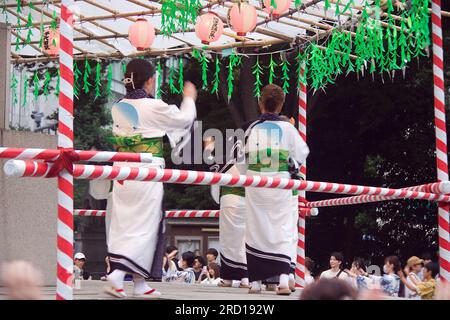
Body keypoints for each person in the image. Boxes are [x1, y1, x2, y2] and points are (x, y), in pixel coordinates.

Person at [104, 59, 198, 299]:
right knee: (145, 227)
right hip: (146, 172)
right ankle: (116, 277)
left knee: (126, 226)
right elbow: (183, 120)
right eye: (154, 78)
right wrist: (189, 98)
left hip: (122, 173)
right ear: (148, 80)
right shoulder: (152, 106)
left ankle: (139, 284)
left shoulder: (118, 105)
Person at [244, 84, 309, 295]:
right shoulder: (287, 128)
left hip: (256, 183)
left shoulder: (252, 128)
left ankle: (255, 283)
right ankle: (282, 280)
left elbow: (244, 157)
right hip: (280, 183)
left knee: (256, 228)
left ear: (260, 104)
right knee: (282, 228)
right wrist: (291, 165)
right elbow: (302, 152)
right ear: (281, 105)